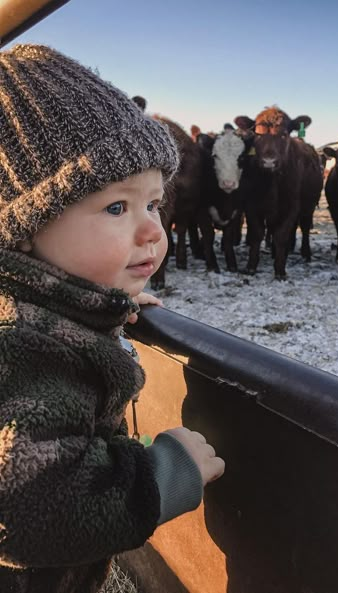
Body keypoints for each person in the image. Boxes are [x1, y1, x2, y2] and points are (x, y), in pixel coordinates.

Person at [0, 44, 225, 593]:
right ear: (23, 226)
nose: (153, 230)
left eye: (154, 204)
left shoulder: (28, 305)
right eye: (118, 208)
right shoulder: (20, 346)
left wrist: (102, 302)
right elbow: (29, 513)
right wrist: (166, 473)